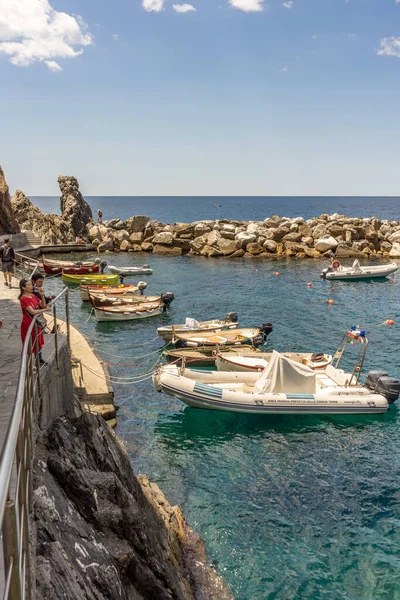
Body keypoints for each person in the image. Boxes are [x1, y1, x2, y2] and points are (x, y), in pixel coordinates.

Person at [19, 279, 50, 363]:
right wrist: (44, 310)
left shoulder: (32, 295)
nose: (31, 286)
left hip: (36, 324)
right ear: (23, 288)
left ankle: (37, 360)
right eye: (28, 285)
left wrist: (42, 295)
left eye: (31, 284)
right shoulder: (24, 299)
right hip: (28, 324)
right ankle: (27, 367)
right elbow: (32, 311)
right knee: (29, 346)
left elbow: (42, 305)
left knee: (37, 343)